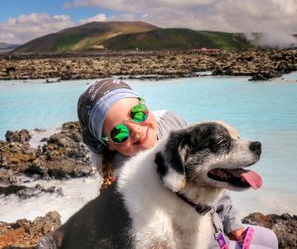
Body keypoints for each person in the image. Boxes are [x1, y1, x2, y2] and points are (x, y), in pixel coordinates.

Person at [76, 78, 278, 249]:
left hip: (213, 222)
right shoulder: (129, 181)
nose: (136, 131)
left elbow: (213, 175)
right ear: (108, 145)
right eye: (119, 133)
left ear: (145, 105)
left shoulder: (172, 124)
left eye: (138, 113)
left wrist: (232, 223)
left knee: (271, 238)